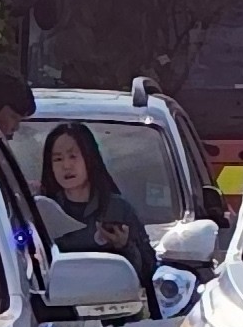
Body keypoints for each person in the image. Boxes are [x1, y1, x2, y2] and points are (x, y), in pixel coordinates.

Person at [36, 121, 157, 295]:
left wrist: (124, 246)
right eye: (58, 159)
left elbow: (149, 272)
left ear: (89, 158)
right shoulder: (42, 211)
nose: (66, 166)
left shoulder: (118, 209)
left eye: (73, 156)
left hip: (115, 310)